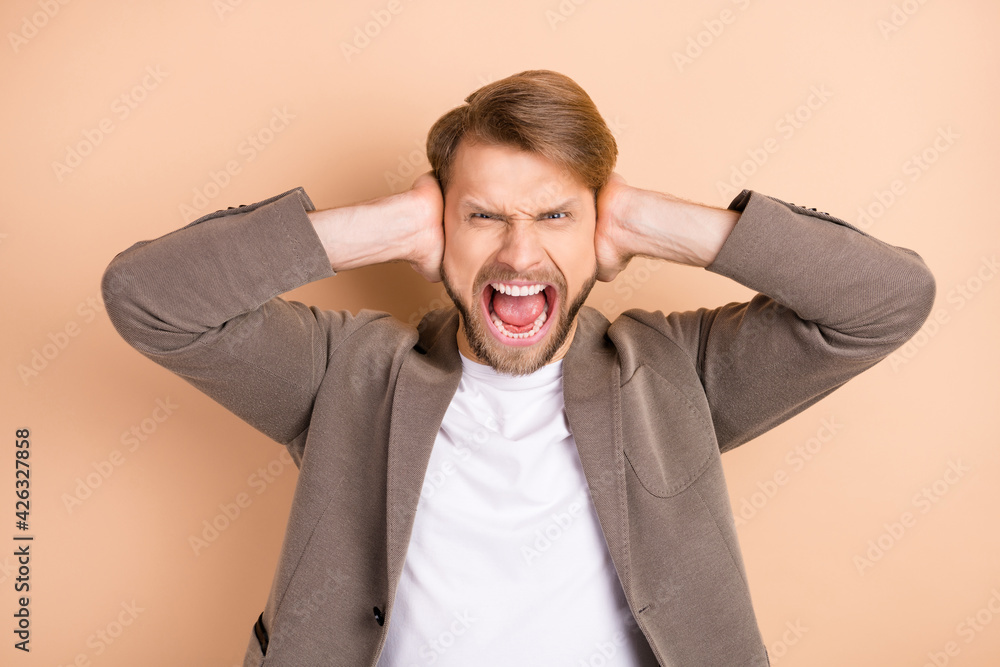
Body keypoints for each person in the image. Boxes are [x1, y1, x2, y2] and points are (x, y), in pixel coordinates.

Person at [101, 70, 936, 666]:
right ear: (437, 233)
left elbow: (888, 300)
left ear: (601, 232)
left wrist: (656, 218)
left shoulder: (679, 370)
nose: (520, 250)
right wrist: (379, 225)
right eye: (484, 216)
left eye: (555, 213)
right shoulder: (343, 372)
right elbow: (147, 297)